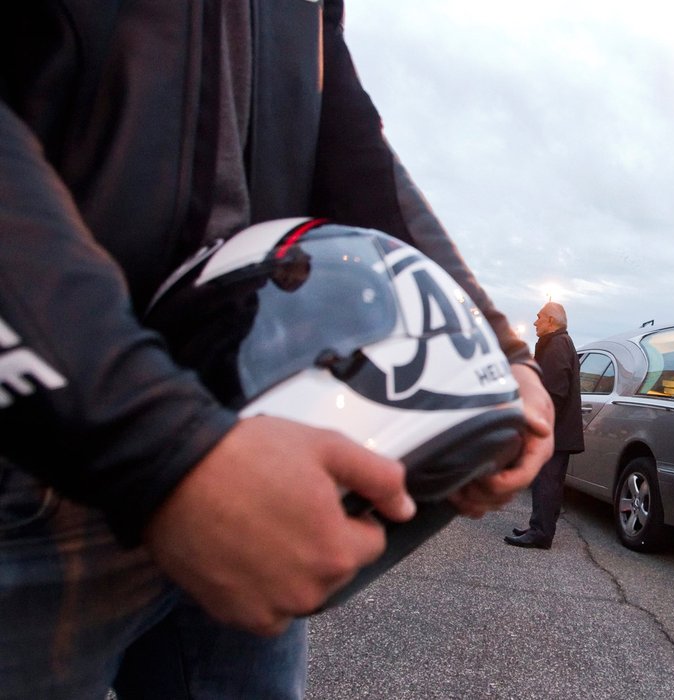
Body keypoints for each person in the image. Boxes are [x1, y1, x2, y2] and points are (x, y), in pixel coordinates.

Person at [0, 4, 553, 699]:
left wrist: (502, 357)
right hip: (45, 450)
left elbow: (349, 141)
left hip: (249, 451)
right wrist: (162, 448)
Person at [505, 302, 584, 550]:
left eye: (539, 317)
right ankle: (539, 527)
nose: (535, 322)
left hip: (554, 431)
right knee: (547, 481)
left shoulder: (558, 345)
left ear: (551, 321)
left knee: (547, 482)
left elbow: (554, 392)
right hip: (557, 431)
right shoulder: (558, 343)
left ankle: (541, 533)